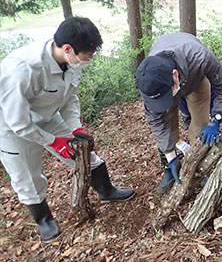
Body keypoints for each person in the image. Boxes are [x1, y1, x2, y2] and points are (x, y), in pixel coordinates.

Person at [0, 17, 135, 243]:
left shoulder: (71, 63)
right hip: (10, 125)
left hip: (47, 115)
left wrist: (76, 129)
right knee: (27, 176)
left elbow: (70, 99)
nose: (89, 59)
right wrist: (53, 142)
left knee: (84, 154)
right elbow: (19, 123)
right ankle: (45, 221)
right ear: (68, 48)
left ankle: (106, 191)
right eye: (87, 55)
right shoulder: (21, 69)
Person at [136, 32, 222, 195]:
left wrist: (215, 120)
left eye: (166, 95)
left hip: (195, 77)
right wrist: (170, 156)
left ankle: (200, 166)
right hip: (167, 81)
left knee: (201, 125)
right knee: (166, 118)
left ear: (175, 75)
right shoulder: (147, 81)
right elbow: (157, 122)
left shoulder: (200, 57)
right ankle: (169, 167)